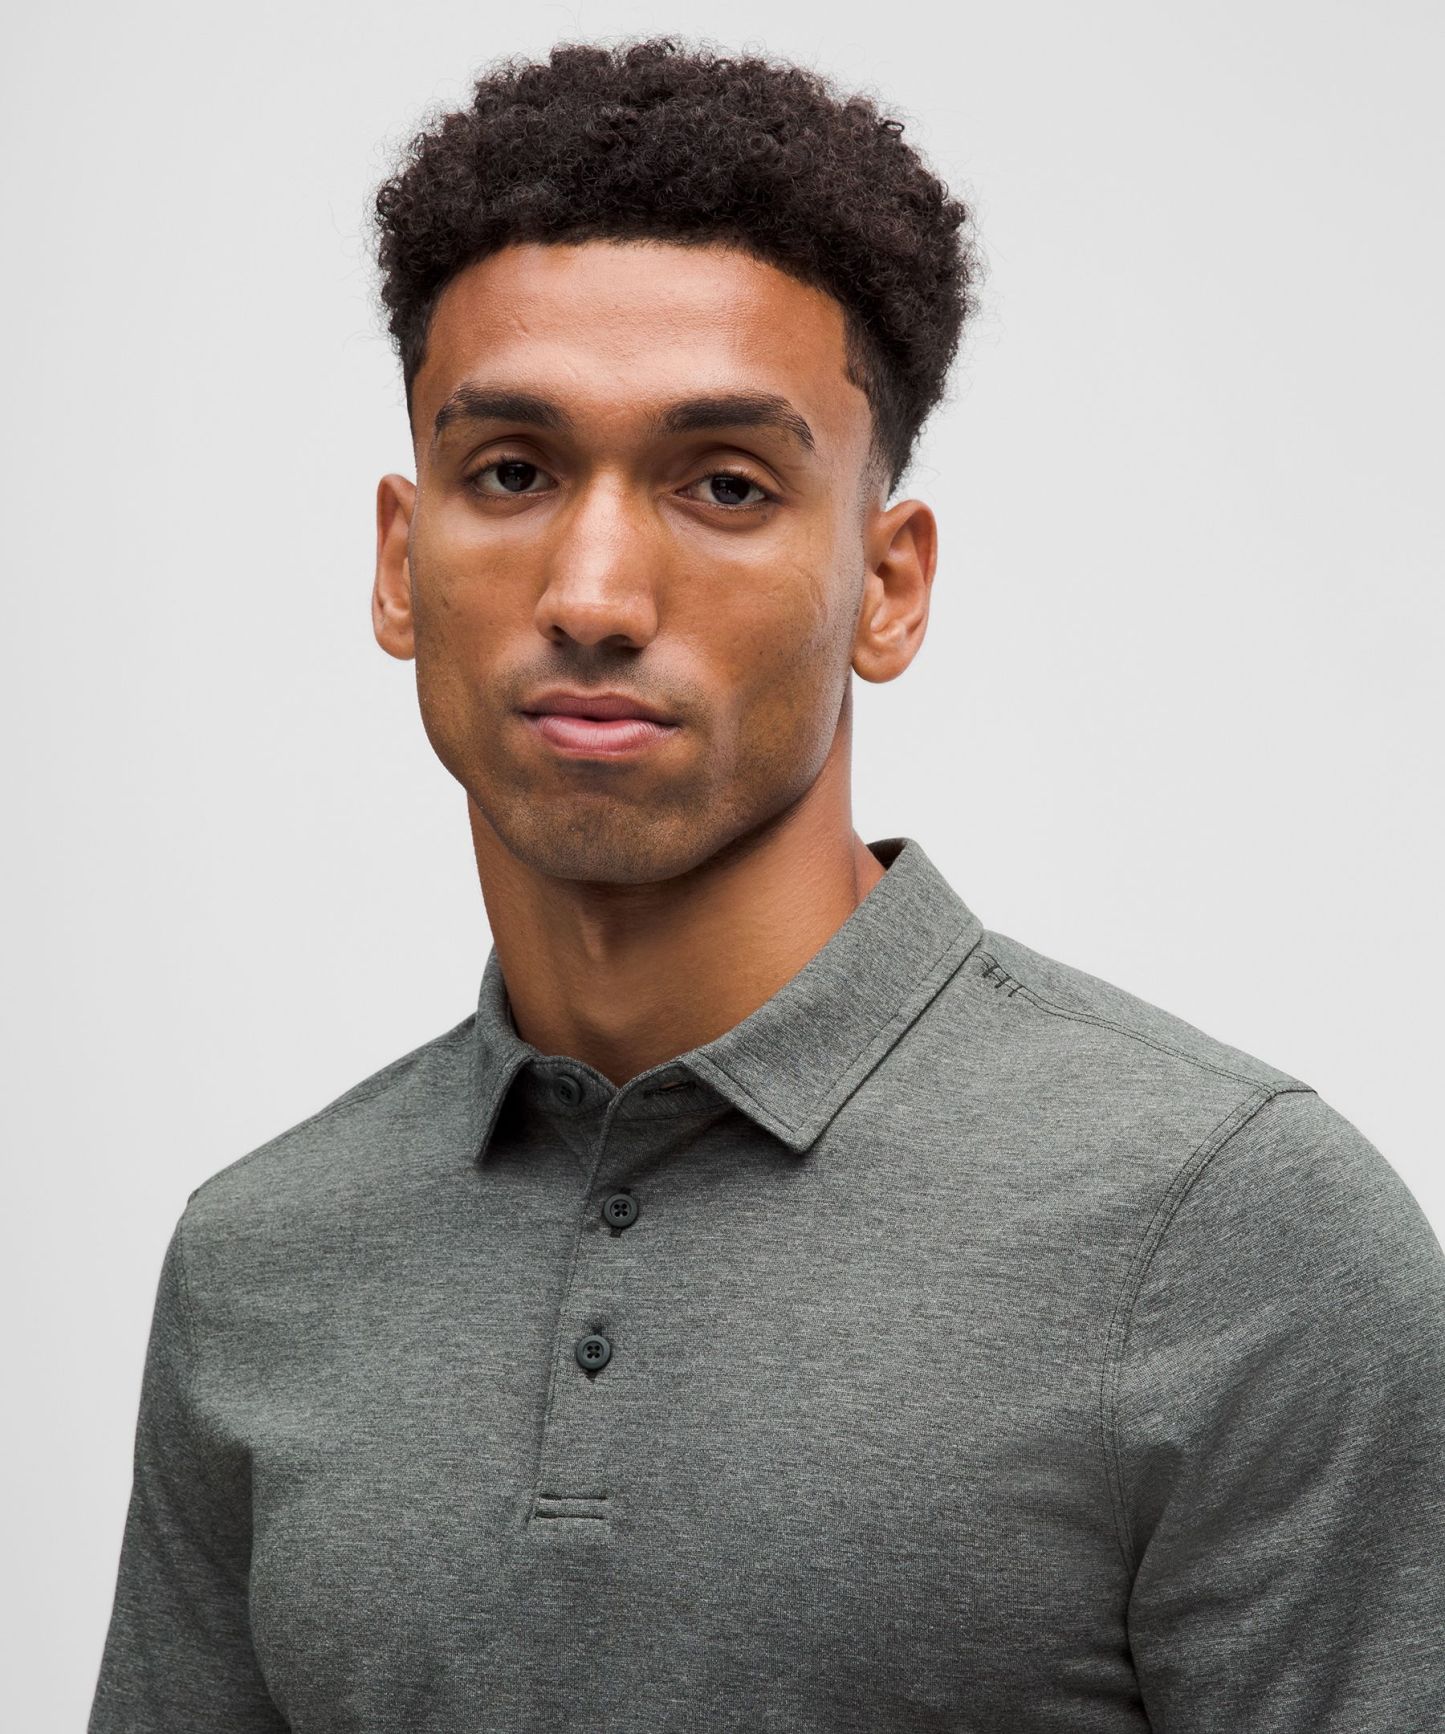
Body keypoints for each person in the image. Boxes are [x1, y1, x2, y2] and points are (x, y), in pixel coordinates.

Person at [87, 36, 1445, 1733]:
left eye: (723, 484)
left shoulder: (1233, 1235)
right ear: (399, 561)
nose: (592, 591)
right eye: (509, 471)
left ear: (887, 584)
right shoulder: (257, 1263)